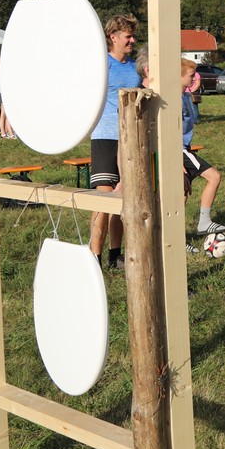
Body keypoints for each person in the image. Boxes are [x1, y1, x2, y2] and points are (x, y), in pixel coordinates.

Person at [89, 14, 141, 269]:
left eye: (133, 36)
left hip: (129, 139)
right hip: (104, 136)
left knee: (122, 198)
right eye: (128, 36)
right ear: (113, 37)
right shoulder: (102, 64)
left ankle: (114, 256)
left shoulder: (134, 67)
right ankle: (94, 258)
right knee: (104, 199)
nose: (132, 40)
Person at [179, 58, 225, 236]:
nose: (195, 78)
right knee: (214, 176)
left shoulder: (185, 96)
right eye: (191, 75)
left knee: (183, 192)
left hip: (185, 147)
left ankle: (178, 237)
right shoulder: (174, 100)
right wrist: (176, 160)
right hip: (179, 150)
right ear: (179, 76)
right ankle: (204, 223)